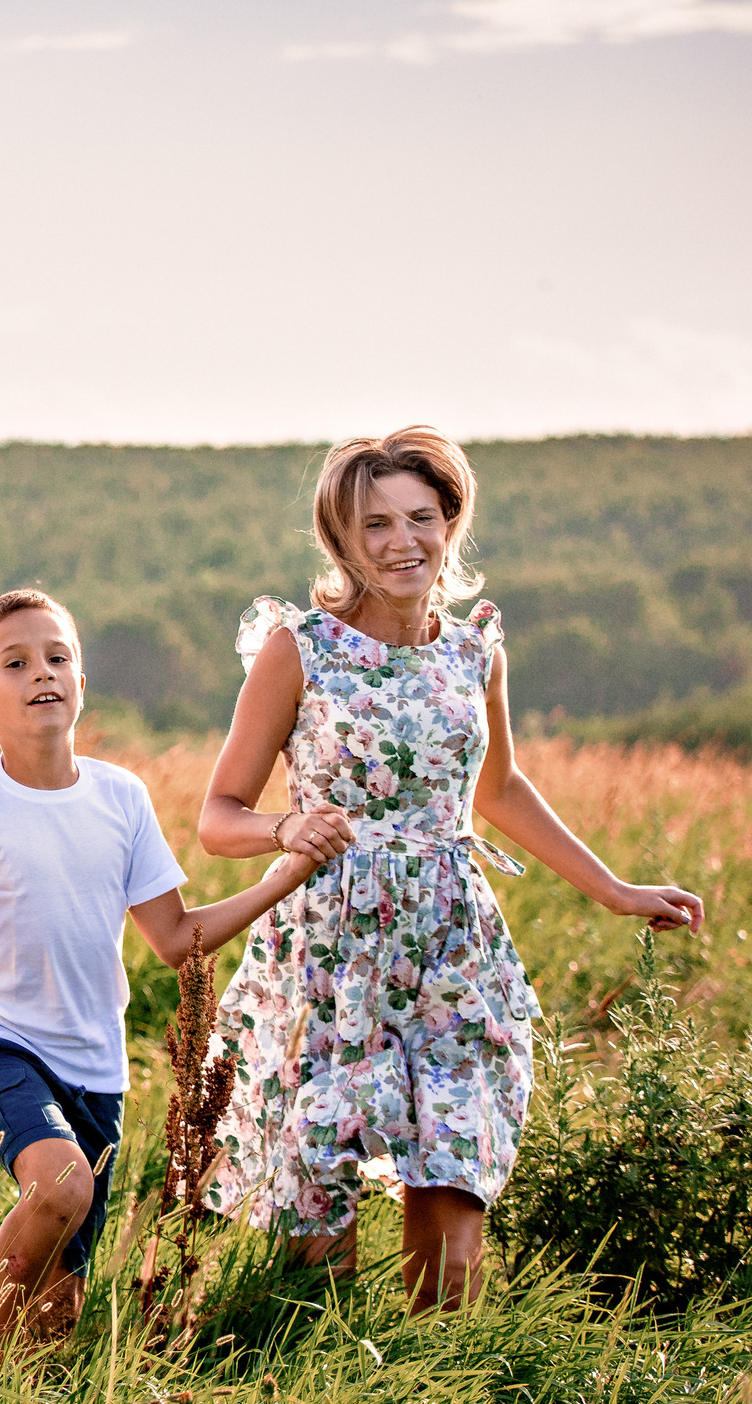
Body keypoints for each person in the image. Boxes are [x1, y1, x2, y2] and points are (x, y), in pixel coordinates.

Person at [197, 427, 705, 1311]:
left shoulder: (476, 651)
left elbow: (500, 788)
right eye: (376, 524)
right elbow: (218, 817)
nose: (402, 542)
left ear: (450, 522)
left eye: (420, 518)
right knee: (316, 1234)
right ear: (342, 540)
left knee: (456, 1199)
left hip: (453, 946)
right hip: (330, 950)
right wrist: (287, 827)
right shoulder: (299, 649)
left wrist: (616, 890)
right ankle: (320, 1402)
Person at [0, 589, 318, 1354]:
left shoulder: (122, 798)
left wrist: (280, 879)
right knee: (61, 1183)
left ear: (82, 684)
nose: (42, 673)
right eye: (16, 663)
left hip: (97, 1070)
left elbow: (178, 936)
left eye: (58, 657)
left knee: (60, 1299)